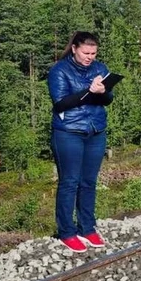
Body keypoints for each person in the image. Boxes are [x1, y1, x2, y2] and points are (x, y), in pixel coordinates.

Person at [48, 31, 114, 253]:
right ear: (74, 49)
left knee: (89, 182)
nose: (90, 57)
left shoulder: (100, 68)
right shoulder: (59, 70)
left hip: (96, 130)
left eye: (93, 53)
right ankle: (67, 231)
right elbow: (60, 103)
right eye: (86, 52)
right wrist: (88, 91)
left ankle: (87, 227)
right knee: (70, 182)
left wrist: (103, 91)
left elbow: (108, 100)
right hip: (68, 131)